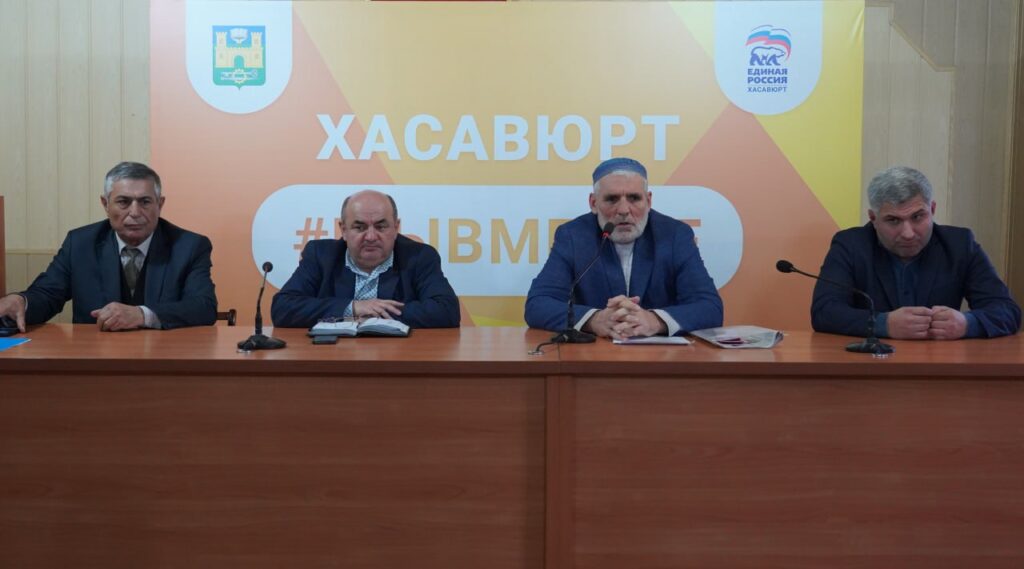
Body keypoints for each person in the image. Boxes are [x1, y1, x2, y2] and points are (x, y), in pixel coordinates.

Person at [0, 161, 217, 332]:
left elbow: (204, 306)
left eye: (145, 202)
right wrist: (21, 301)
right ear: (105, 204)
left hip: (163, 358)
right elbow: (48, 294)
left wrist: (142, 315)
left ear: (160, 204)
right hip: (95, 358)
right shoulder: (81, 243)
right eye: (123, 202)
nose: (135, 212)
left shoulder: (189, 246)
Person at [811, 166, 1021, 339]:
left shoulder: (959, 244)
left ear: (932, 210)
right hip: (870, 366)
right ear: (873, 218)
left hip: (940, 367)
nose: (908, 233)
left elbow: (1007, 310)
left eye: (918, 217)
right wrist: (883, 324)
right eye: (893, 220)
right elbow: (824, 312)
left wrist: (967, 323)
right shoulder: (850, 245)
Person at [525, 157, 723, 339]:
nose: (623, 210)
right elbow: (537, 304)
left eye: (634, 198)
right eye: (612, 199)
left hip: (662, 358)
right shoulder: (572, 236)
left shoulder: (675, 235)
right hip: (595, 356)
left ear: (648, 201)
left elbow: (710, 308)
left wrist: (655, 321)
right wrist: (595, 320)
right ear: (593, 203)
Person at [271, 189, 460, 328]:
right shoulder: (321, 255)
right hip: (333, 357)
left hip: (397, 357)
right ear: (344, 230)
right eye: (359, 227)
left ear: (396, 228)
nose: (370, 236)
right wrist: (353, 308)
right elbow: (283, 308)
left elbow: (447, 311)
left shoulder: (419, 256)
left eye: (381, 227)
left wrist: (376, 313)